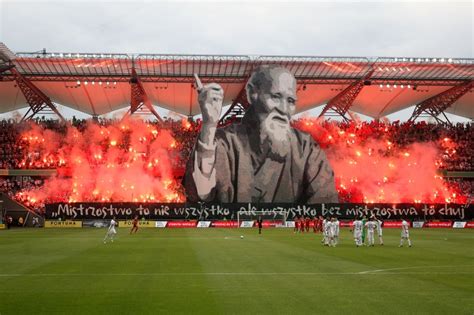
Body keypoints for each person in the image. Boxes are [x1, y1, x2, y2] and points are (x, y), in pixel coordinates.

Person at [184, 65, 338, 203]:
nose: (284, 109)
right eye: (276, 97)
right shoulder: (223, 141)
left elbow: (325, 203)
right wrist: (209, 125)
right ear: (252, 93)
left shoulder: (306, 148)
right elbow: (199, 195)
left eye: (290, 100)